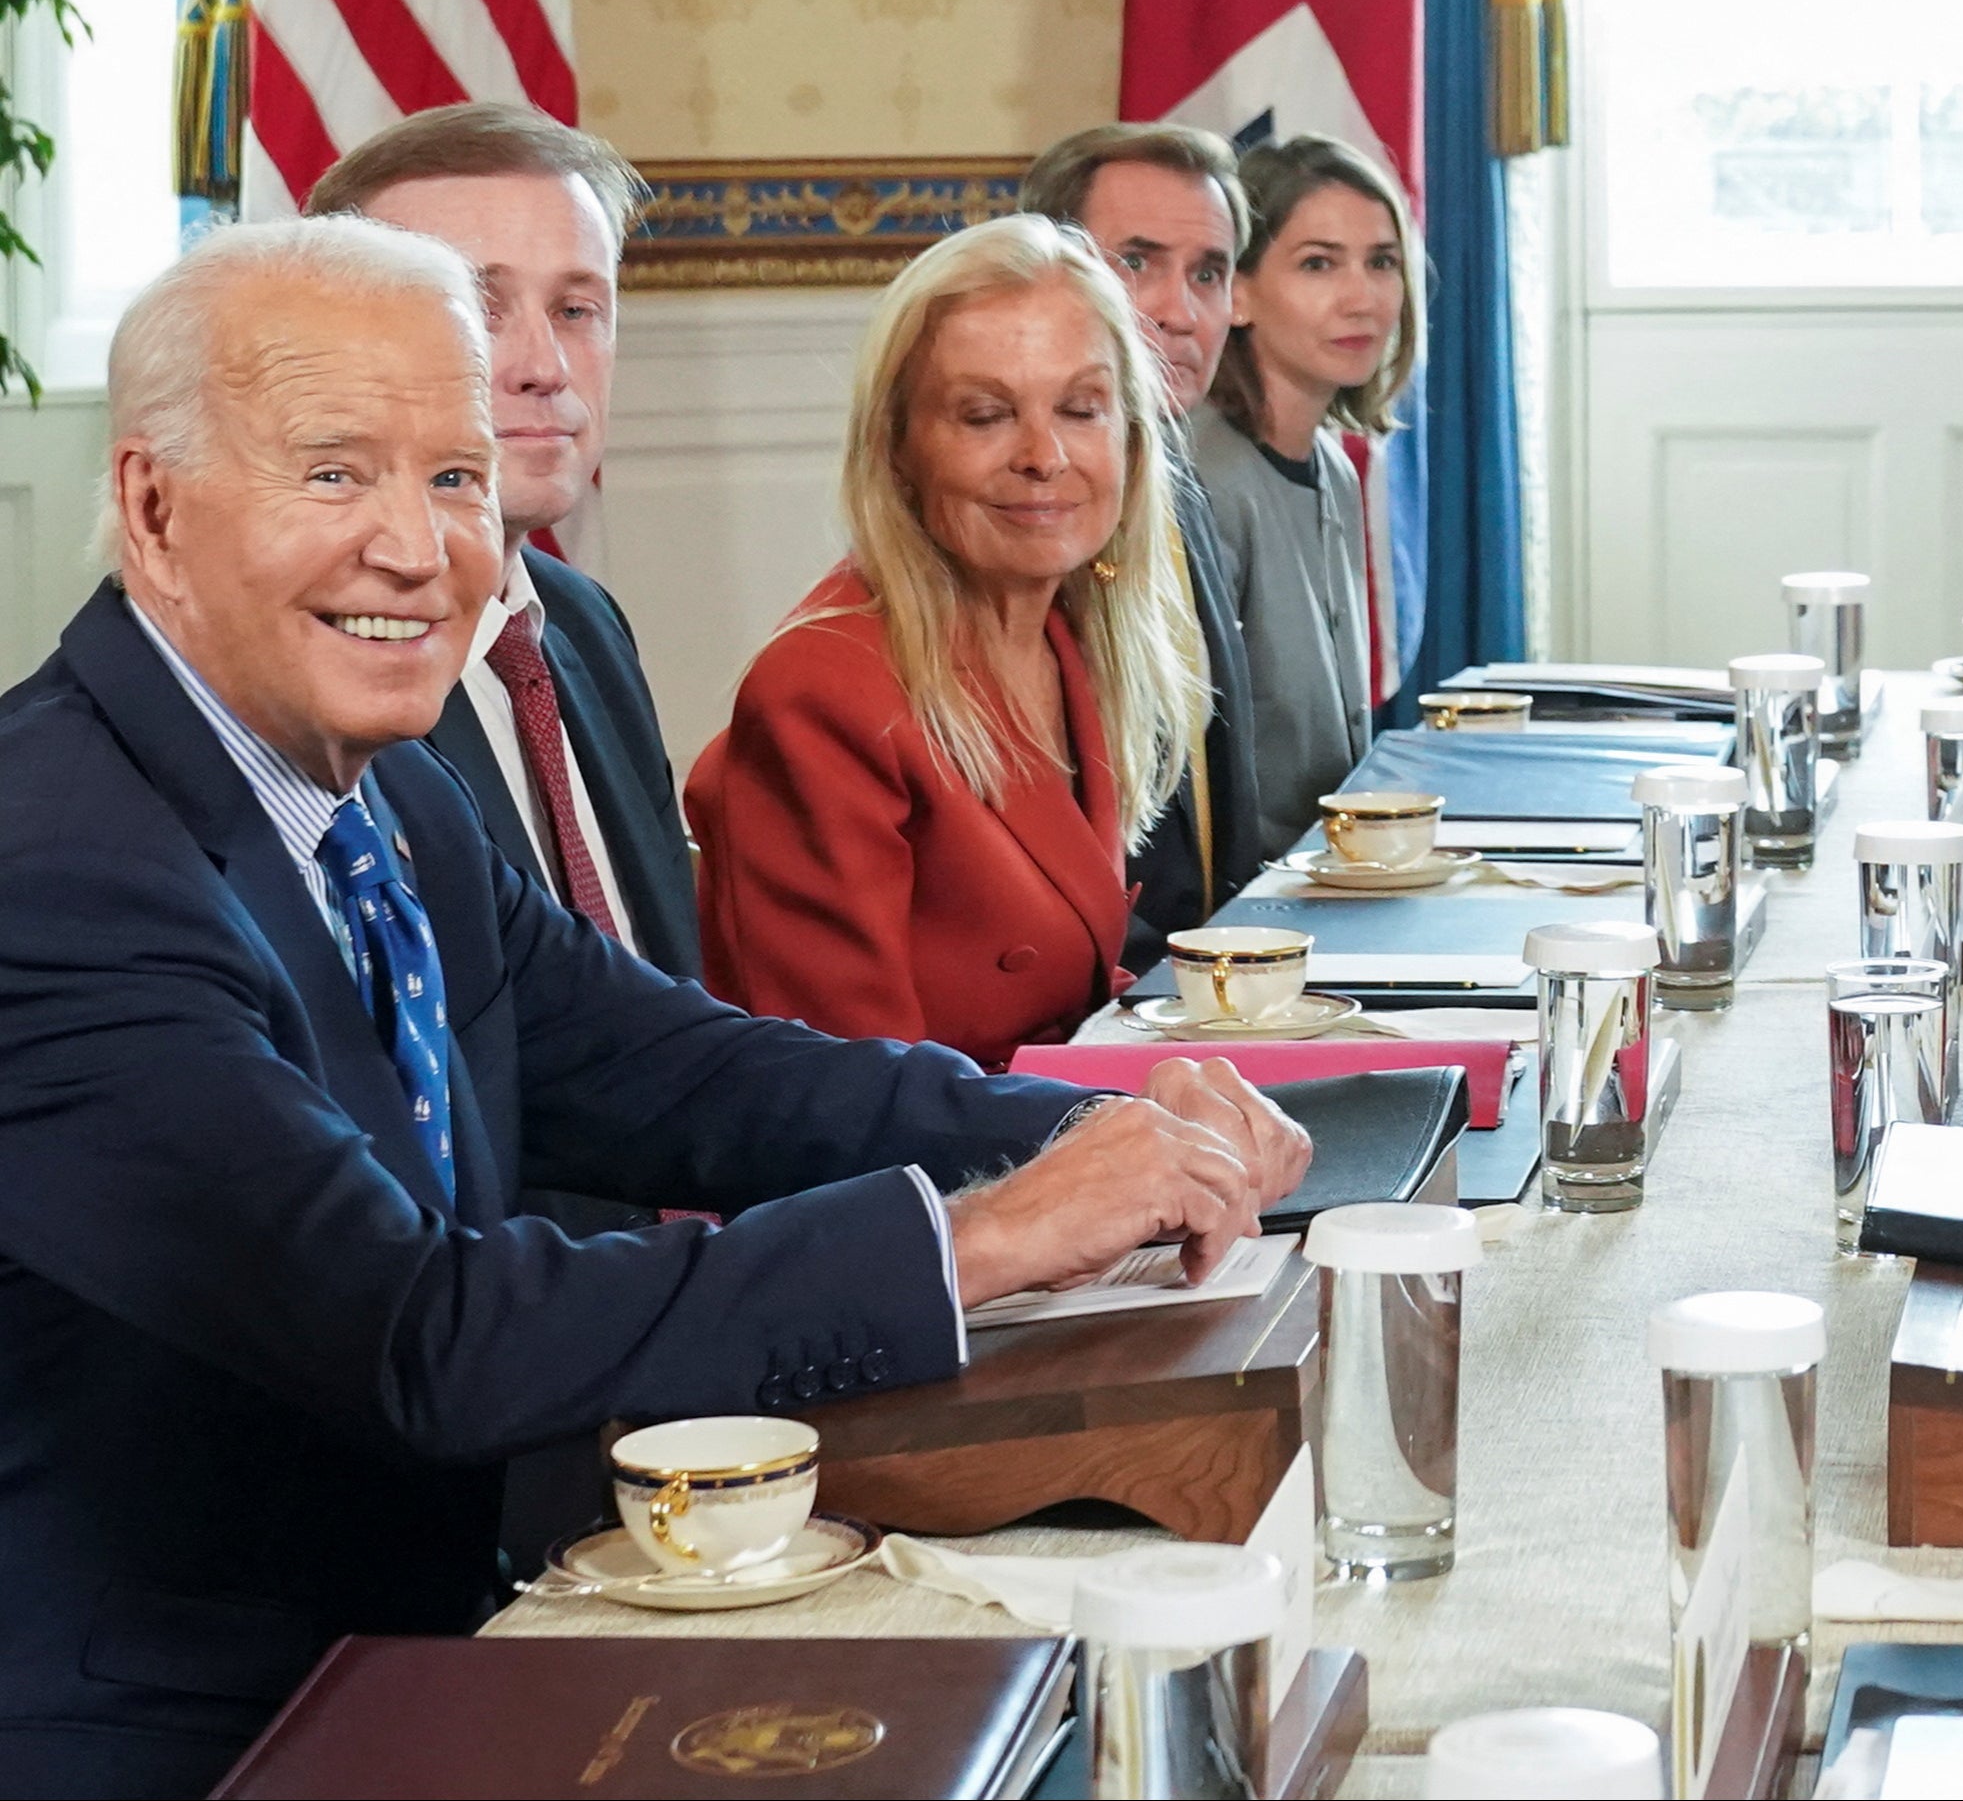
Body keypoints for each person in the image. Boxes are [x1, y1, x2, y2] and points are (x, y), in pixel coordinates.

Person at [0, 219, 1307, 1795]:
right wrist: (976, 1238)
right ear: (152, 504)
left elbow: (675, 1067)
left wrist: (1095, 1126)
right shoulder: (55, 858)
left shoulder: (392, 788)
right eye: (336, 473)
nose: (420, 549)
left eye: (459, 478)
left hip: (457, 1616)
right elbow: (421, 1327)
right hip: (190, 1725)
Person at [692, 217, 1207, 1068]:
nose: (1043, 456)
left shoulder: (1068, 633)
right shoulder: (822, 691)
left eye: (1081, 409)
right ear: (899, 449)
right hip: (934, 1183)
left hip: (1055, 1139)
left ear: (1132, 437)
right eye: (985, 415)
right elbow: (847, 1095)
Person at [304, 105, 698, 983]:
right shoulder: (322, 657)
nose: (546, 365)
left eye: (576, 308)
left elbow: (678, 1017)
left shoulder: (585, 623)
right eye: (479, 310)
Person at [1020, 121, 1269, 968]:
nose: (1179, 310)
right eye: (1137, 262)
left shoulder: (1177, 481)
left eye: (1209, 273)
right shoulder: (1025, 507)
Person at [1193, 133, 1423, 867]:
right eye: (1319, 263)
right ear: (1240, 291)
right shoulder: (1200, 479)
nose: (1363, 297)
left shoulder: (1335, 464)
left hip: (1333, 870)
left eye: (1382, 262)